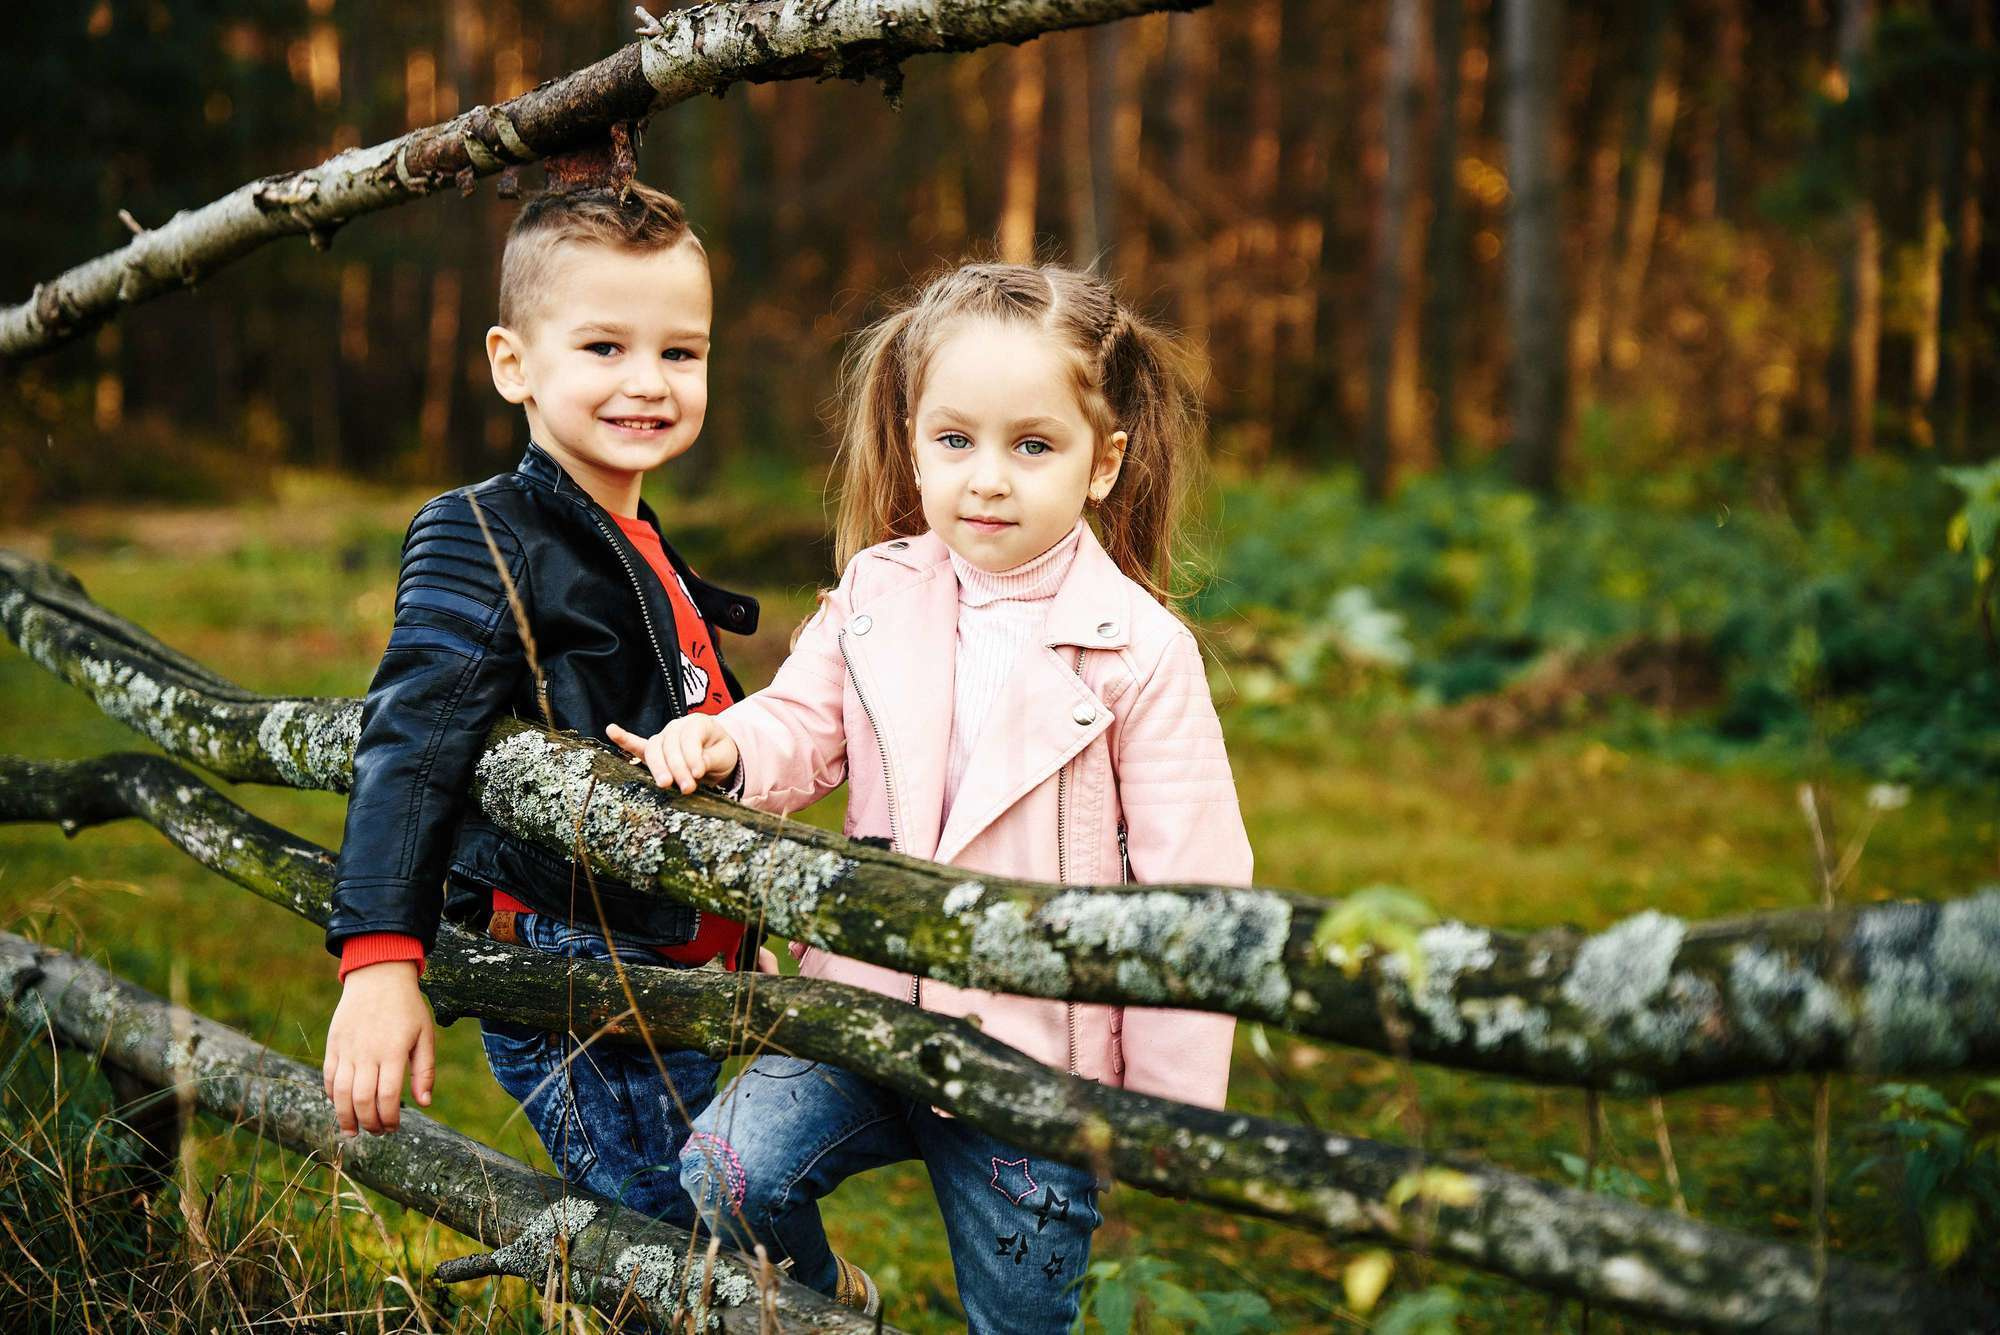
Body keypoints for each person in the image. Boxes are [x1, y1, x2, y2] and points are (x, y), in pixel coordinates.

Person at [608, 261, 1251, 1329]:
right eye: (954, 441)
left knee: (1016, 1320)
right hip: (863, 1007)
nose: (986, 480)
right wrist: (723, 743)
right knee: (725, 1170)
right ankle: (827, 1309)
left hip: (1031, 1065)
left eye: (1030, 445)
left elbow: (1197, 885)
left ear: (1103, 462)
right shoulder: (877, 590)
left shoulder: (1140, 652)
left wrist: (1167, 1115)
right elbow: (801, 722)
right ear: (912, 438)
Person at [322, 181, 763, 1234]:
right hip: (581, 978)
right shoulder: (485, 529)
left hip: (664, 971)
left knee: (718, 1233)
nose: (647, 382)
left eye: (680, 352)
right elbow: (411, 743)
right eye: (603, 348)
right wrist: (381, 958)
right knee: (684, 1251)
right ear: (512, 362)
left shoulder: (638, 535)